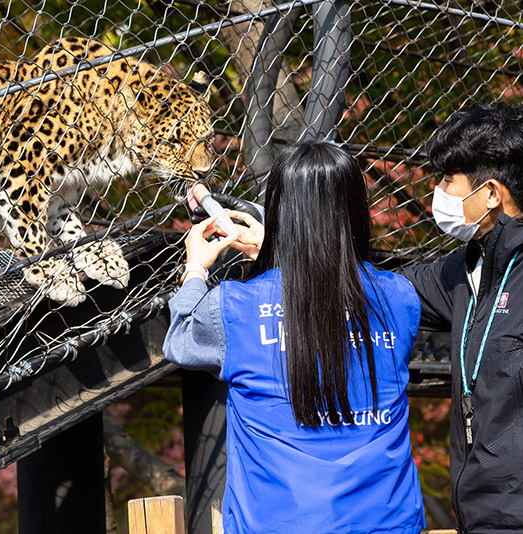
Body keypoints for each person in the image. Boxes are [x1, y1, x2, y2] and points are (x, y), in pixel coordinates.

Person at [163, 141, 425, 533]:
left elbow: (181, 340)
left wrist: (196, 271)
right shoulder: (399, 297)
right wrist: (284, 255)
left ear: (281, 212)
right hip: (388, 521)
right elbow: (327, 301)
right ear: (355, 210)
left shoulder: (235, 306)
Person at [399, 103, 523, 533]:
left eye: (449, 180)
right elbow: (380, 289)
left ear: (490, 193)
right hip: (478, 517)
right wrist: (293, 246)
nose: (440, 192)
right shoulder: (466, 270)